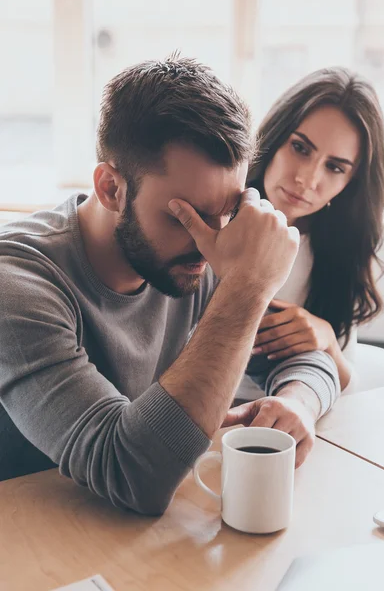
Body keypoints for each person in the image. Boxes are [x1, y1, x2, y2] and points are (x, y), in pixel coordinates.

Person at [0, 55, 339, 514]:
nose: (210, 244)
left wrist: (296, 403)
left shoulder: (196, 256)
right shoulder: (16, 283)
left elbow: (309, 358)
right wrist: (247, 289)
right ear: (110, 188)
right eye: (185, 217)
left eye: (225, 216)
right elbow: (131, 472)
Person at [240, 67, 384, 398]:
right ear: (274, 138)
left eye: (334, 167)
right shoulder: (214, 219)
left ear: (350, 183)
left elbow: (347, 385)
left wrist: (327, 339)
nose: (307, 178)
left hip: (287, 422)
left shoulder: (337, 251)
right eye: (300, 148)